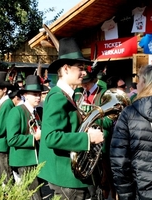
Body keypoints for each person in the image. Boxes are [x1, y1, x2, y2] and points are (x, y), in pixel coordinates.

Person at [38, 38, 104, 199]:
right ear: (66, 68)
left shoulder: (65, 95)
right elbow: (51, 137)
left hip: (67, 174)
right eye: (80, 68)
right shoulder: (57, 97)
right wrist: (88, 138)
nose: (84, 72)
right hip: (66, 176)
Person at [110, 65, 152, 199]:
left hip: (142, 192)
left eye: (139, 81)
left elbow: (119, 163)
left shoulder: (129, 113)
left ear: (146, 84)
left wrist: (126, 196)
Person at [74, 67, 116, 200]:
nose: (84, 85)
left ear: (94, 80)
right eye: (83, 83)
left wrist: (91, 120)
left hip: (102, 145)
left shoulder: (104, 94)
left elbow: (110, 122)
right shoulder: (79, 93)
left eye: (87, 82)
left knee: (107, 180)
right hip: (86, 143)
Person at [7, 75, 42, 200]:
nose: (38, 97)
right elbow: (11, 139)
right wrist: (34, 138)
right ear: (25, 95)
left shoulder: (36, 111)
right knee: (35, 195)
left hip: (34, 159)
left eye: (39, 94)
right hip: (23, 160)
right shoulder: (17, 112)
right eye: (34, 94)